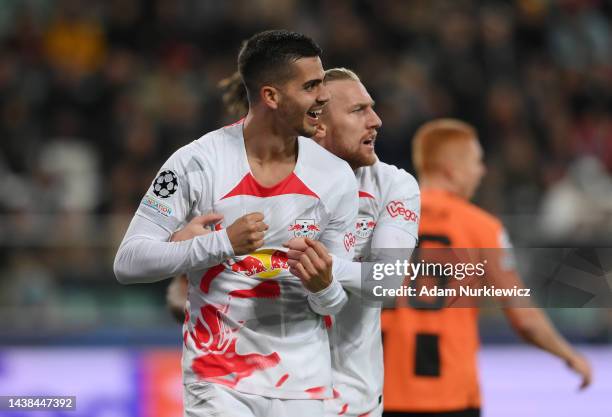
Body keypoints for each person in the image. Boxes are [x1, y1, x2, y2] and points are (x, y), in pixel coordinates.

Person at [114, 30, 359, 417]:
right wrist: (221, 244)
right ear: (271, 96)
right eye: (311, 86)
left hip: (304, 387)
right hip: (217, 382)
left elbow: (340, 302)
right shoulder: (196, 163)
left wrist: (324, 285)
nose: (324, 97)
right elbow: (128, 262)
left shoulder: (336, 177)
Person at [168, 68, 421, 417]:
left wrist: (315, 267)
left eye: (371, 108)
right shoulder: (255, 180)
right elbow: (182, 287)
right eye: (358, 111)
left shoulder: (393, 185)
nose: (375, 121)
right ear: (318, 125)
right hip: (254, 388)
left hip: (352, 400)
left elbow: (388, 280)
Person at [381, 119, 592, 417]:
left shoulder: (379, 217)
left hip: (382, 390)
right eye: (476, 162)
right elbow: (524, 317)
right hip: (450, 393)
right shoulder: (481, 227)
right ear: (450, 169)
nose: (482, 171)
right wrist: (568, 354)